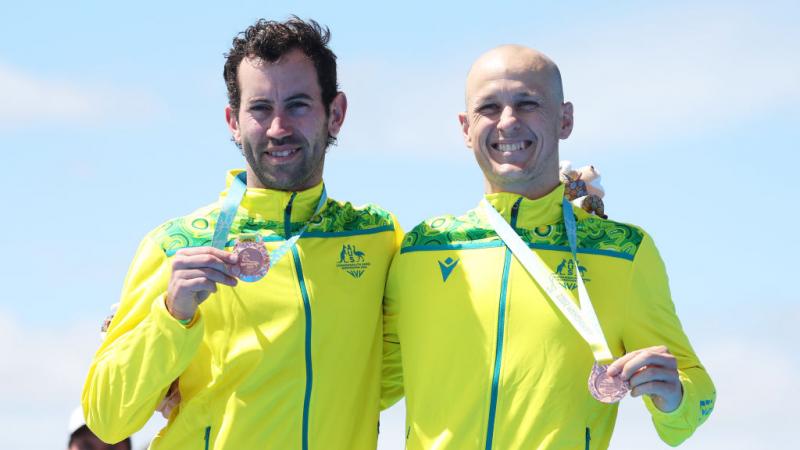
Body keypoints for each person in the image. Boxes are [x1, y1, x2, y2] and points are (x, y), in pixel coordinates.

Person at [83, 17, 402, 450]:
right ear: (233, 121)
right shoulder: (177, 245)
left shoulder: (377, 237)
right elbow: (106, 420)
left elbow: (393, 369)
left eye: (298, 104)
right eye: (260, 108)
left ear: (336, 113)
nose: (278, 127)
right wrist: (169, 317)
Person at [382, 45, 715, 449]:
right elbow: (368, 383)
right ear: (465, 127)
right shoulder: (421, 248)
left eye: (527, 104)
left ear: (565, 118)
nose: (507, 122)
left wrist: (674, 396)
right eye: (489, 107)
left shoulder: (623, 252)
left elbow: (696, 393)